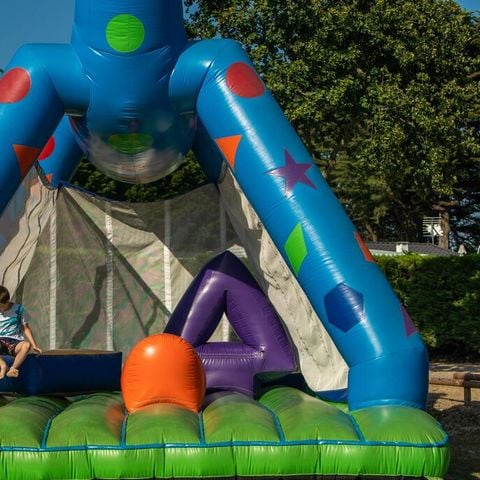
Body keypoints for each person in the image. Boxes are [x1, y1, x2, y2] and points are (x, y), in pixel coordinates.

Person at [0, 286, 42, 379]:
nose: (0, 309)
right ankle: (3, 365)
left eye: (1, 306)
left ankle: (12, 369)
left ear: (7, 302)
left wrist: (34, 345)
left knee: (26, 345)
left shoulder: (19, 309)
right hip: (0, 341)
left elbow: (26, 328)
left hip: (14, 342)